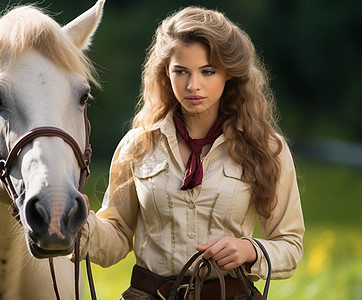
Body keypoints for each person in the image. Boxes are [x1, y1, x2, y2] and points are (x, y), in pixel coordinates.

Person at [78, 6, 304, 299]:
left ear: (229, 74)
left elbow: (290, 245)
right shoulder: (137, 145)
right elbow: (117, 237)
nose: (192, 85)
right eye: (180, 71)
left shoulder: (265, 148)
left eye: (207, 71)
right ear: (165, 73)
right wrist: (78, 225)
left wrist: (250, 249)